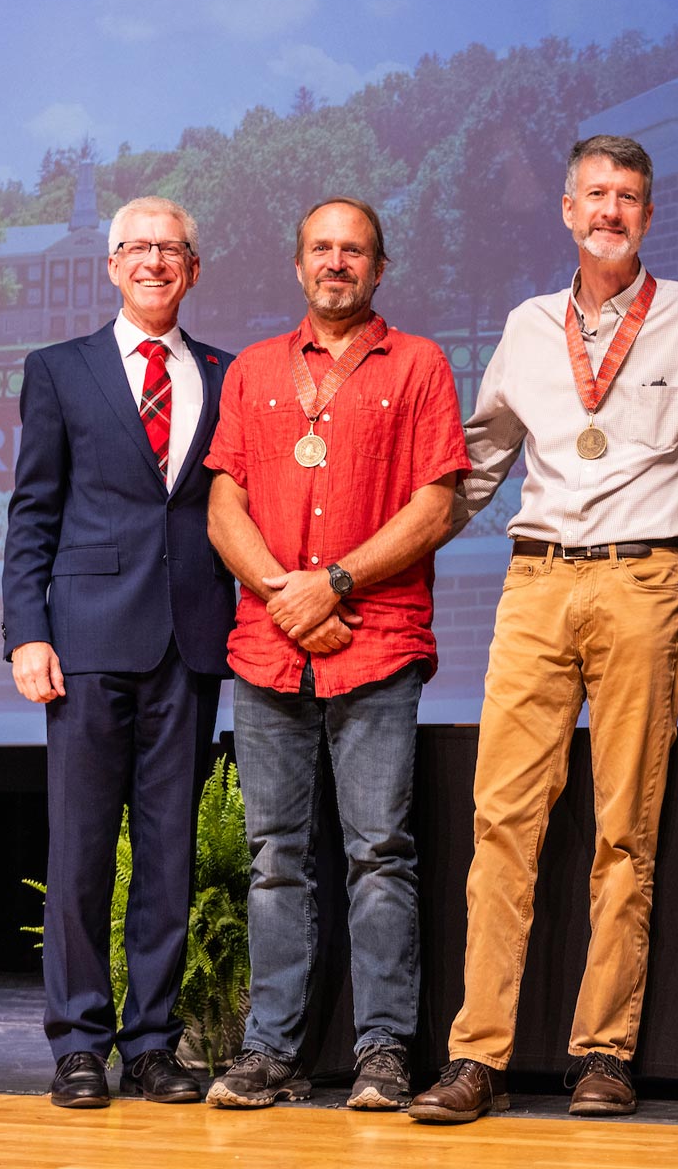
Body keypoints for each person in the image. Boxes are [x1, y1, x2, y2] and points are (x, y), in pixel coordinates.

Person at [407, 135, 678, 1125]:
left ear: (648, 214)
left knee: (623, 832)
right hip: (537, 584)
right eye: (596, 194)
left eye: (629, 196)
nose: (612, 211)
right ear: (565, 210)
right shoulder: (527, 324)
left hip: (643, 580)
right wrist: (380, 551)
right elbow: (477, 462)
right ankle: (478, 1057)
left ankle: (605, 1051)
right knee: (502, 823)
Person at [202, 197, 470, 1111]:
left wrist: (338, 583)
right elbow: (223, 506)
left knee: (379, 854)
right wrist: (288, 592)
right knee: (277, 857)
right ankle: (270, 1052)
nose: (337, 263)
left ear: (379, 268)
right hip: (270, 646)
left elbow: (437, 507)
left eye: (354, 251)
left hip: (377, 643)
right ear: (298, 264)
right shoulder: (253, 370)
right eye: (321, 248)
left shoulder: (422, 364)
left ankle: (384, 1051)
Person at [2, 196, 236, 1108]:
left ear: (193, 267)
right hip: (88, 640)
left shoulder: (225, 373)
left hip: (191, 638)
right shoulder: (58, 370)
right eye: (136, 248)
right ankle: (78, 1045)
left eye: (170, 248)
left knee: (169, 856)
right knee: (83, 852)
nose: (152, 262)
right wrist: (28, 631)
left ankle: (152, 1046)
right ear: (110, 266)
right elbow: (33, 510)